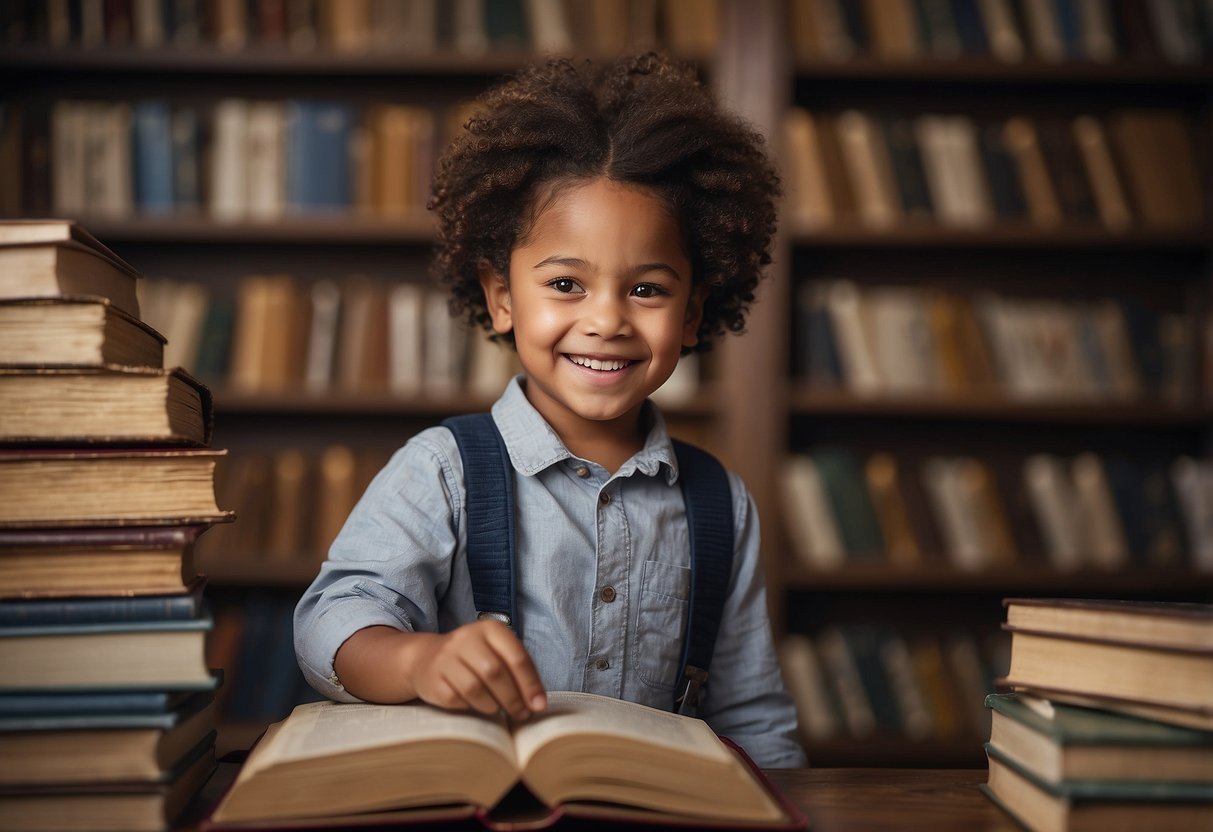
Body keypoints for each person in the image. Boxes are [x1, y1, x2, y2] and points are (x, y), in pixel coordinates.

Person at [294, 52, 806, 768]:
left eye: (648, 291)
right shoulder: (442, 470)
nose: (605, 321)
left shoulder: (722, 505)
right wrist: (416, 661)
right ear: (501, 297)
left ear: (693, 313)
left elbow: (753, 718)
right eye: (566, 283)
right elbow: (333, 618)